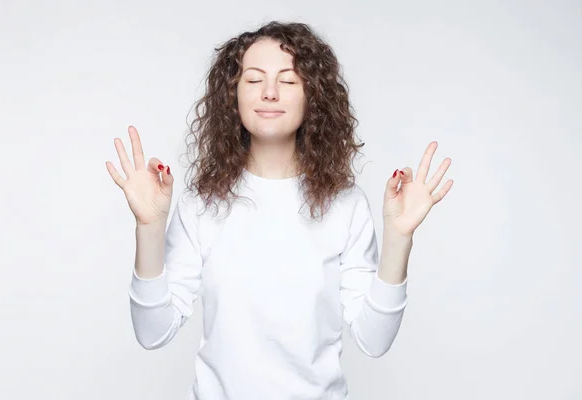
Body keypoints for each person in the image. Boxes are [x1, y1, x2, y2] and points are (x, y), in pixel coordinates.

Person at [106, 21, 453, 400]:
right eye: (253, 80)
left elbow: (374, 341)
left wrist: (399, 238)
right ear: (232, 97)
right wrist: (149, 228)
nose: (269, 93)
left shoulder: (345, 205)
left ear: (313, 96)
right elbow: (152, 332)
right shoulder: (202, 204)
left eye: (288, 81)